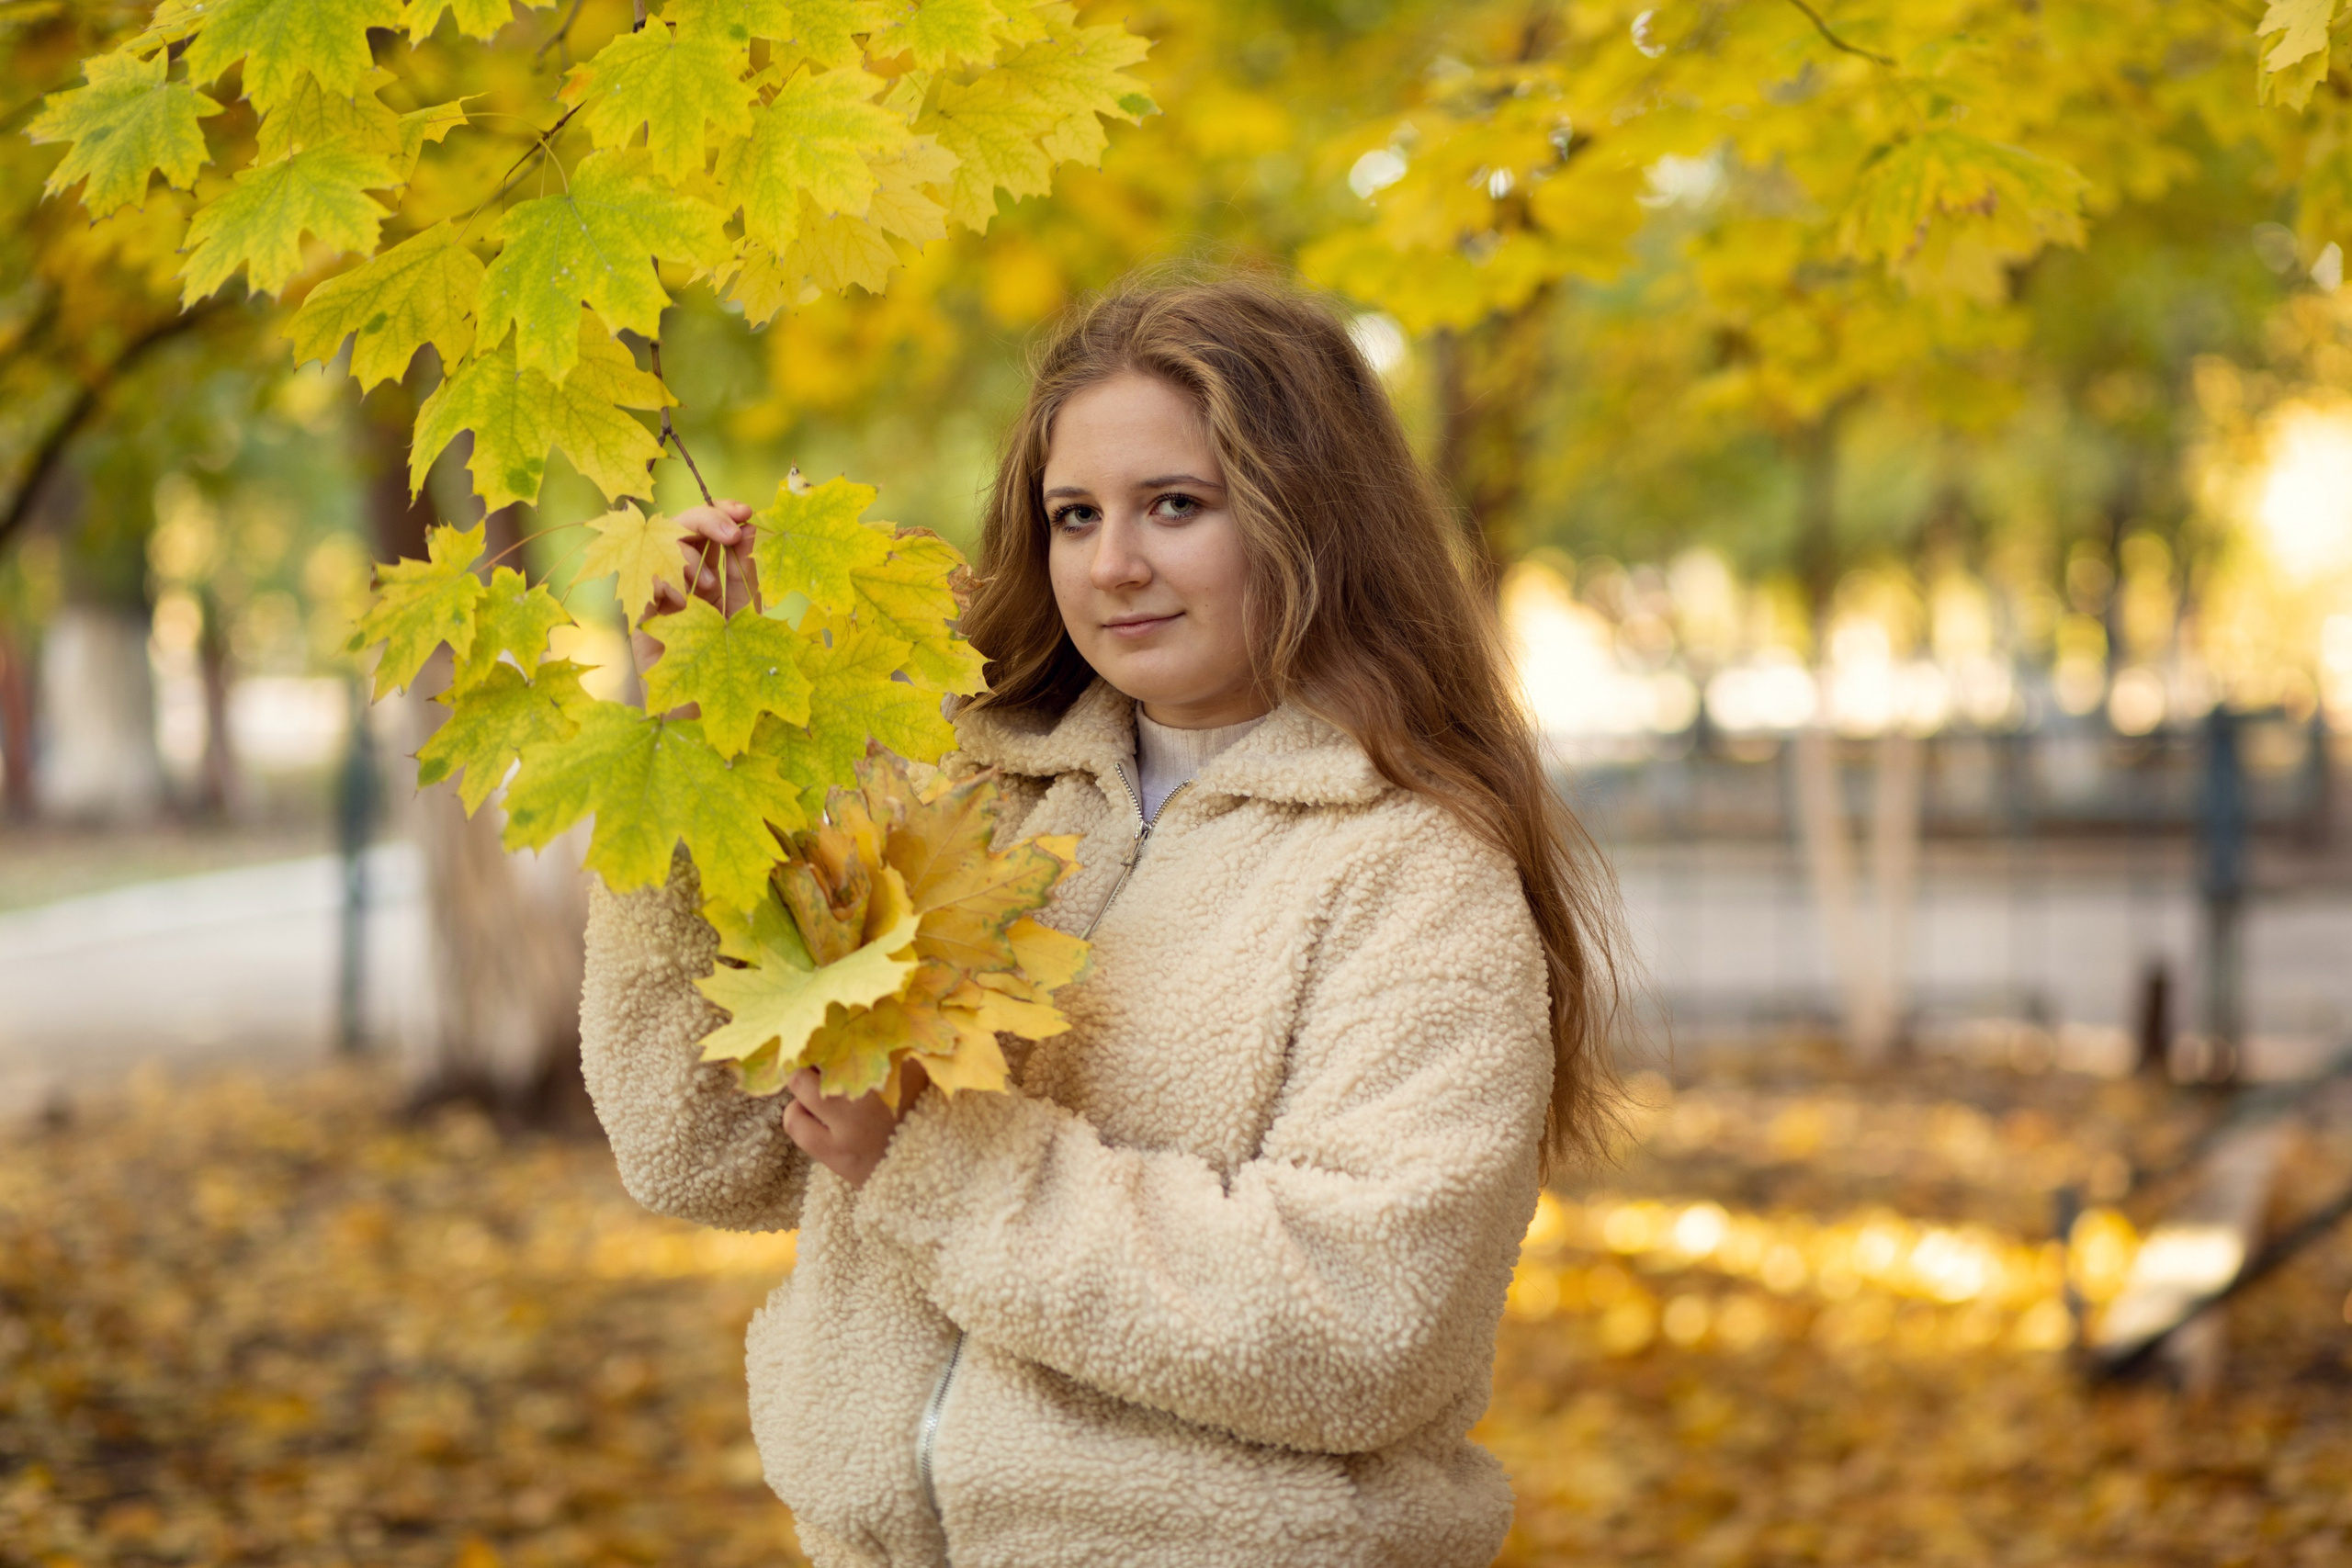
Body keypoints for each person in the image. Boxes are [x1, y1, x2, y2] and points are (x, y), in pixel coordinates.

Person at [582, 276, 1623, 1568]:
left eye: (1175, 505)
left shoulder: (1413, 870)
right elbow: (697, 1153)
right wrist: (699, 761)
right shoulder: (964, 797)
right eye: (1075, 515)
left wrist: (932, 1160)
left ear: (1312, 521)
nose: (1113, 564)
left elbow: (1368, 1322)